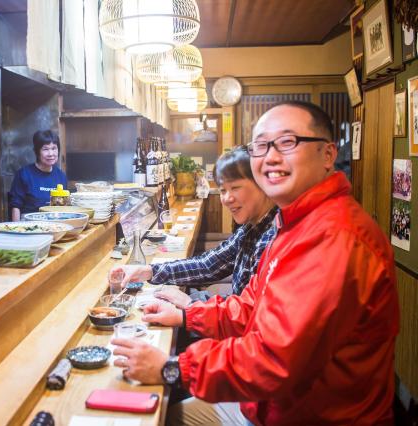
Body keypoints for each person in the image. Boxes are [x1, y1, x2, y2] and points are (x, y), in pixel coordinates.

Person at [111, 101, 399, 425]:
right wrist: (187, 313)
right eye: (261, 145)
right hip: (270, 405)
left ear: (328, 155)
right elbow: (250, 307)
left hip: (315, 415)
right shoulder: (293, 223)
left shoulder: (333, 237)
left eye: (288, 142)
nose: (271, 156)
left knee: (160, 414)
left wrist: (174, 367)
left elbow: (274, 359)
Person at [110, 146, 277, 309]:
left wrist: (190, 305)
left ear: (262, 183)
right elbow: (209, 265)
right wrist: (149, 271)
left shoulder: (271, 238)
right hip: (226, 311)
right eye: (222, 190)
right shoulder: (250, 227)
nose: (226, 199)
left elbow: (250, 316)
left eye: (235, 188)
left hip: (232, 323)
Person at [8, 130, 67, 221]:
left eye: (54, 148)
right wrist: (16, 230)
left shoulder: (61, 176)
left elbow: (62, 208)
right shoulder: (24, 174)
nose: (51, 154)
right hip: (28, 225)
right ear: (37, 152)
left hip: (55, 224)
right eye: (45, 149)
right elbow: (15, 206)